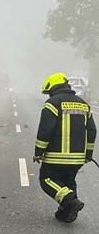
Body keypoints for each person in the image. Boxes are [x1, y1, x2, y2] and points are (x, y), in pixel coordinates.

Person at [34, 72, 97, 223]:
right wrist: (88, 153)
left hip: (56, 156)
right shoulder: (83, 104)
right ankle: (65, 212)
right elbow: (92, 130)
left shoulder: (52, 104)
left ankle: (70, 200)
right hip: (77, 159)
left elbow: (45, 130)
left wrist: (38, 152)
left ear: (53, 88)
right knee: (68, 181)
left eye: (49, 93)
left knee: (47, 179)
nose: (49, 96)